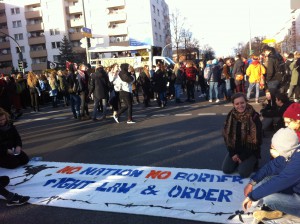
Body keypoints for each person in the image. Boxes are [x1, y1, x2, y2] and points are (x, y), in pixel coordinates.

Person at [242, 127, 300, 222]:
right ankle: (281, 209)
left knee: (269, 198)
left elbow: (281, 180)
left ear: (283, 147)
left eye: (274, 146)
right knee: (267, 180)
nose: (272, 147)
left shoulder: (298, 160)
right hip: (297, 189)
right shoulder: (291, 151)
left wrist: (252, 196)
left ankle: (286, 209)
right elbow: (270, 167)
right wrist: (251, 183)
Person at [222, 93, 262, 178]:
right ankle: (238, 161)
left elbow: (257, 140)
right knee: (226, 169)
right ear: (233, 105)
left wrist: (243, 157)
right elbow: (226, 137)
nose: (240, 106)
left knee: (243, 173)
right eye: (237, 104)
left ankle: (253, 162)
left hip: (250, 150)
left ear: (246, 102)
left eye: (242, 103)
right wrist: (233, 153)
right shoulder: (230, 116)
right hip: (235, 149)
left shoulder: (254, 116)